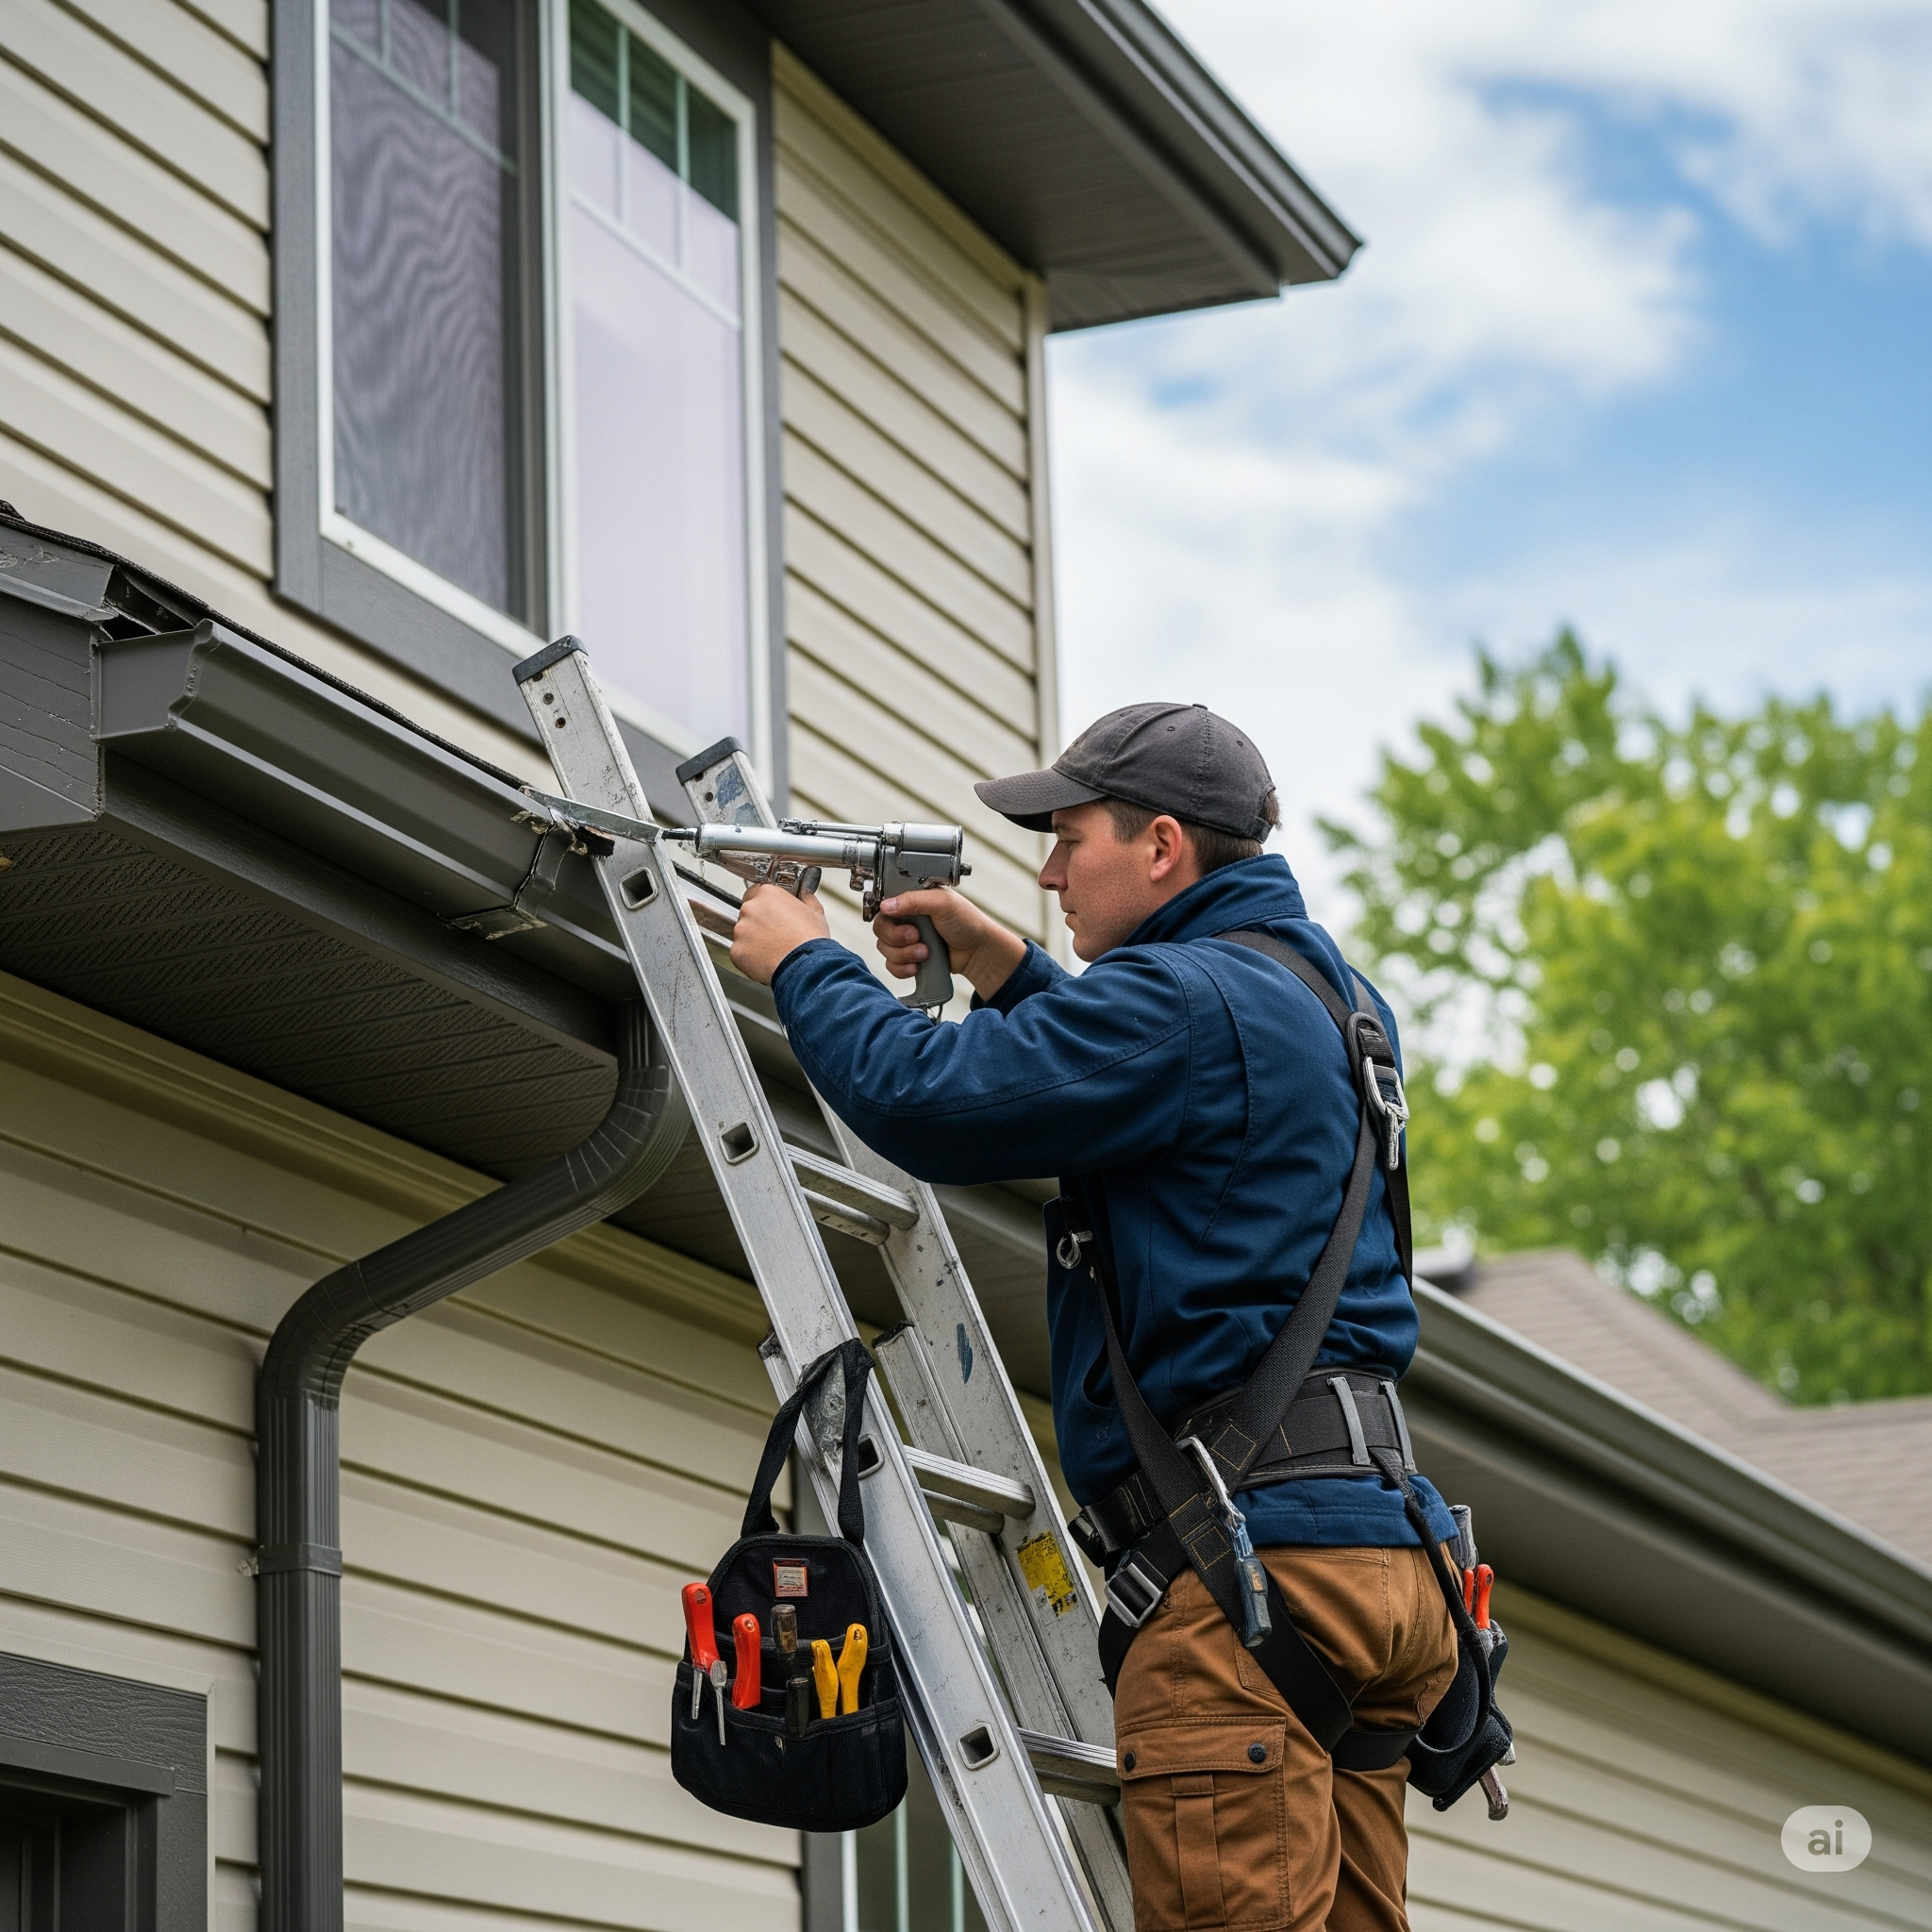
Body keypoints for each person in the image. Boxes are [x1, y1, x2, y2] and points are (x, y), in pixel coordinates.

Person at [729, 702, 1458, 1932]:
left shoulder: (1177, 1001)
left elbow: (931, 1099)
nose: (1051, 871)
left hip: (1252, 1582)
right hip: (1383, 1572)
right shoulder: (1331, 1002)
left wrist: (803, 958)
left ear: (1162, 846)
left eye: (1071, 841)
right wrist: (1012, 967)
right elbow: (1145, 1081)